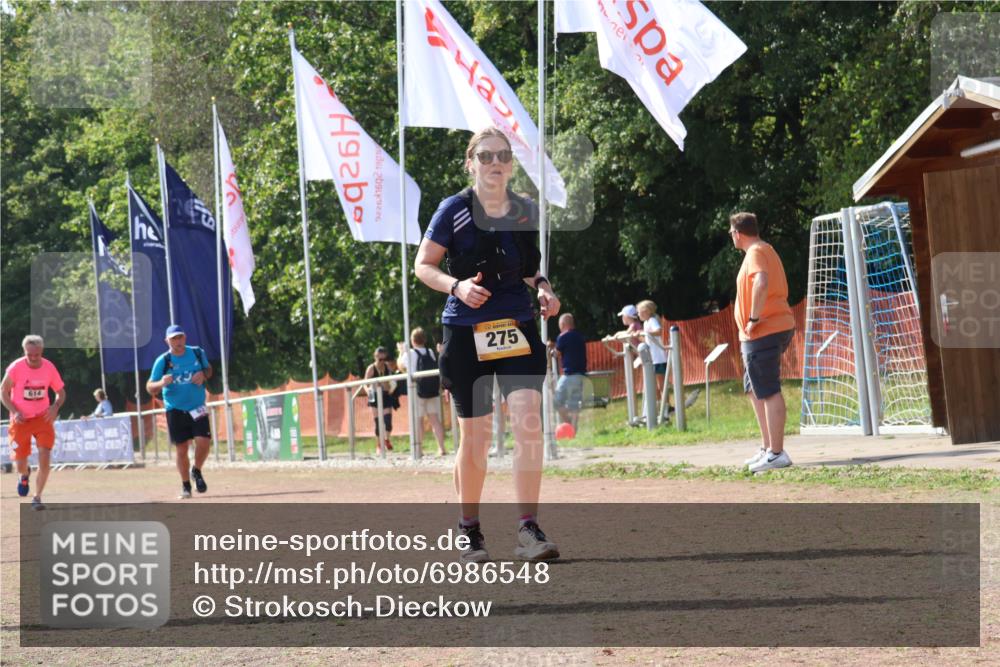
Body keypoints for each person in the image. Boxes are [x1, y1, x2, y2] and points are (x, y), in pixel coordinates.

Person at [414, 127, 562, 563]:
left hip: (515, 326)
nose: (495, 163)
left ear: (511, 164)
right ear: (471, 163)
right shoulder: (453, 210)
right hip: (465, 332)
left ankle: (528, 530)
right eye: (486, 156)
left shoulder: (524, 210)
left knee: (527, 423)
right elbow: (424, 265)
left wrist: (545, 291)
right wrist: (456, 286)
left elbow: (531, 270)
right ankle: (469, 531)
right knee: (475, 438)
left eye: (503, 156)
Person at [728, 212, 796, 472]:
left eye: (731, 233)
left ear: (737, 233)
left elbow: (762, 282)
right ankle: (768, 448)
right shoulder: (763, 249)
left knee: (767, 389)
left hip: (765, 329)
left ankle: (777, 453)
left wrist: (754, 318)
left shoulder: (755, 251)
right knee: (754, 388)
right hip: (762, 332)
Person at [146, 325, 213, 499]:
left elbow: (209, 369)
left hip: (197, 406)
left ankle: (196, 470)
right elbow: (150, 387)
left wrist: (203, 375)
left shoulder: (197, 353)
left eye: (180, 337)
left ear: (185, 337)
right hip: (175, 409)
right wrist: (161, 383)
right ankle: (185, 486)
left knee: (204, 441)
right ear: (167, 341)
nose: (178, 341)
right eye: (174, 338)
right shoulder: (163, 360)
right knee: (182, 448)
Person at [1, 335, 66, 510]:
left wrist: (55, 407)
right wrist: (15, 411)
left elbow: (61, 392)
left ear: (42, 352)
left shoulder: (49, 368)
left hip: (42, 418)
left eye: (37, 354)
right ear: (25, 352)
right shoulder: (15, 368)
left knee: (45, 456)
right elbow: (3, 392)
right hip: (20, 419)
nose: (33, 358)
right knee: (20, 464)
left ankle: (37, 498)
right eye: (30, 354)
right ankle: (24, 475)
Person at [397, 328, 447, 456]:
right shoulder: (430, 351)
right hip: (432, 390)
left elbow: (401, 367)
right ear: (424, 339)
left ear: (412, 340)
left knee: (418, 420)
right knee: (435, 419)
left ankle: (418, 449)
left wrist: (401, 352)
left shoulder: (410, 353)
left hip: (417, 390)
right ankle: (441, 448)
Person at [553, 313, 587, 430]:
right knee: (574, 404)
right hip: (581, 374)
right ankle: (574, 428)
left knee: (556, 401)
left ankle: (568, 423)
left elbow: (556, 353)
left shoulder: (563, 336)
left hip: (569, 374)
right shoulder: (579, 335)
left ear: (562, 324)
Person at [364, 347, 395, 454]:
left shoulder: (387, 367)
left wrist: (391, 387)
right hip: (374, 396)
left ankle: (386, 439)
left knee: (388, 422)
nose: (381, 362)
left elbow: (392, 381)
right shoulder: (371, 368)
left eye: (383, 359)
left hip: (385, 395)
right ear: (375, 357)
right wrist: (368, 390)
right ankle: (379, 444)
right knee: (378, 422)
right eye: (379, 359)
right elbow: (365, 383)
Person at [637, 299, 669, 393]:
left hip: (659, 358)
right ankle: (659, 404)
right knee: (654, 384)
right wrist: (639, 336)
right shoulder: (646, 323)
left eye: (639, 312)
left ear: (646, 311)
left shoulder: (652, 320)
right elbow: (648, 339)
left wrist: (645, 332)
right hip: (653, 358)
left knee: (661, 384)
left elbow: (658, 331)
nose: (638, 315)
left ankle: (666, 405)